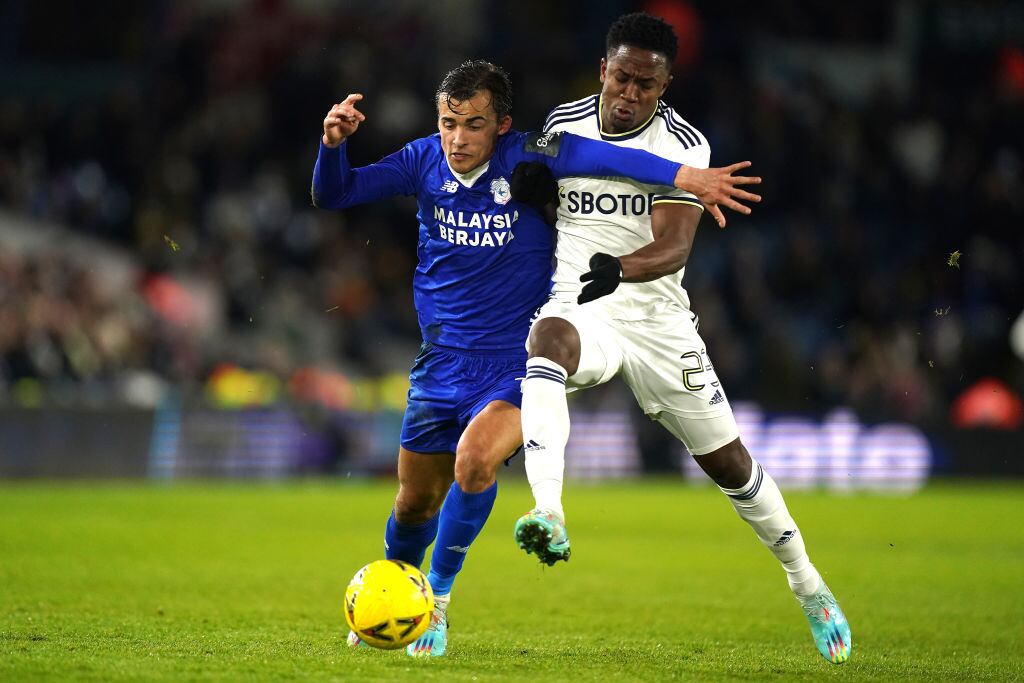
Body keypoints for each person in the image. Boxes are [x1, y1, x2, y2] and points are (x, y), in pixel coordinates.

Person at [311, 59, 760, 658]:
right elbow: (335, 193)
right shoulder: (423, 160)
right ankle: (393, 596)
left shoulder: (532, 155)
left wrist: (687, 175)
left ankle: (437, 603)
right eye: (448, 122)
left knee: (475, 462)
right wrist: (331, 145)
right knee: (413, 502)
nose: (457, 139)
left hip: (515, 362)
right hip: (440, 363)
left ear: (502, 125)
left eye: (473, 125)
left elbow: (609, 159)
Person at [512, 13, 852, 665]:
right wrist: (539, 204)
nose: (630, 94)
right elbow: (558, 210)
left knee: (729, 464)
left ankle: (807, 582)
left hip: (657, 322)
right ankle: (548, 512)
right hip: (583, 306)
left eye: (646, 83)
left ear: (664, 84)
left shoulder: (687, 146)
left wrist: (620, 266)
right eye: (622, 77)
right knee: (547, 341)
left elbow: (670, 246)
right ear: (602, 70)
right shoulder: (563, 123)